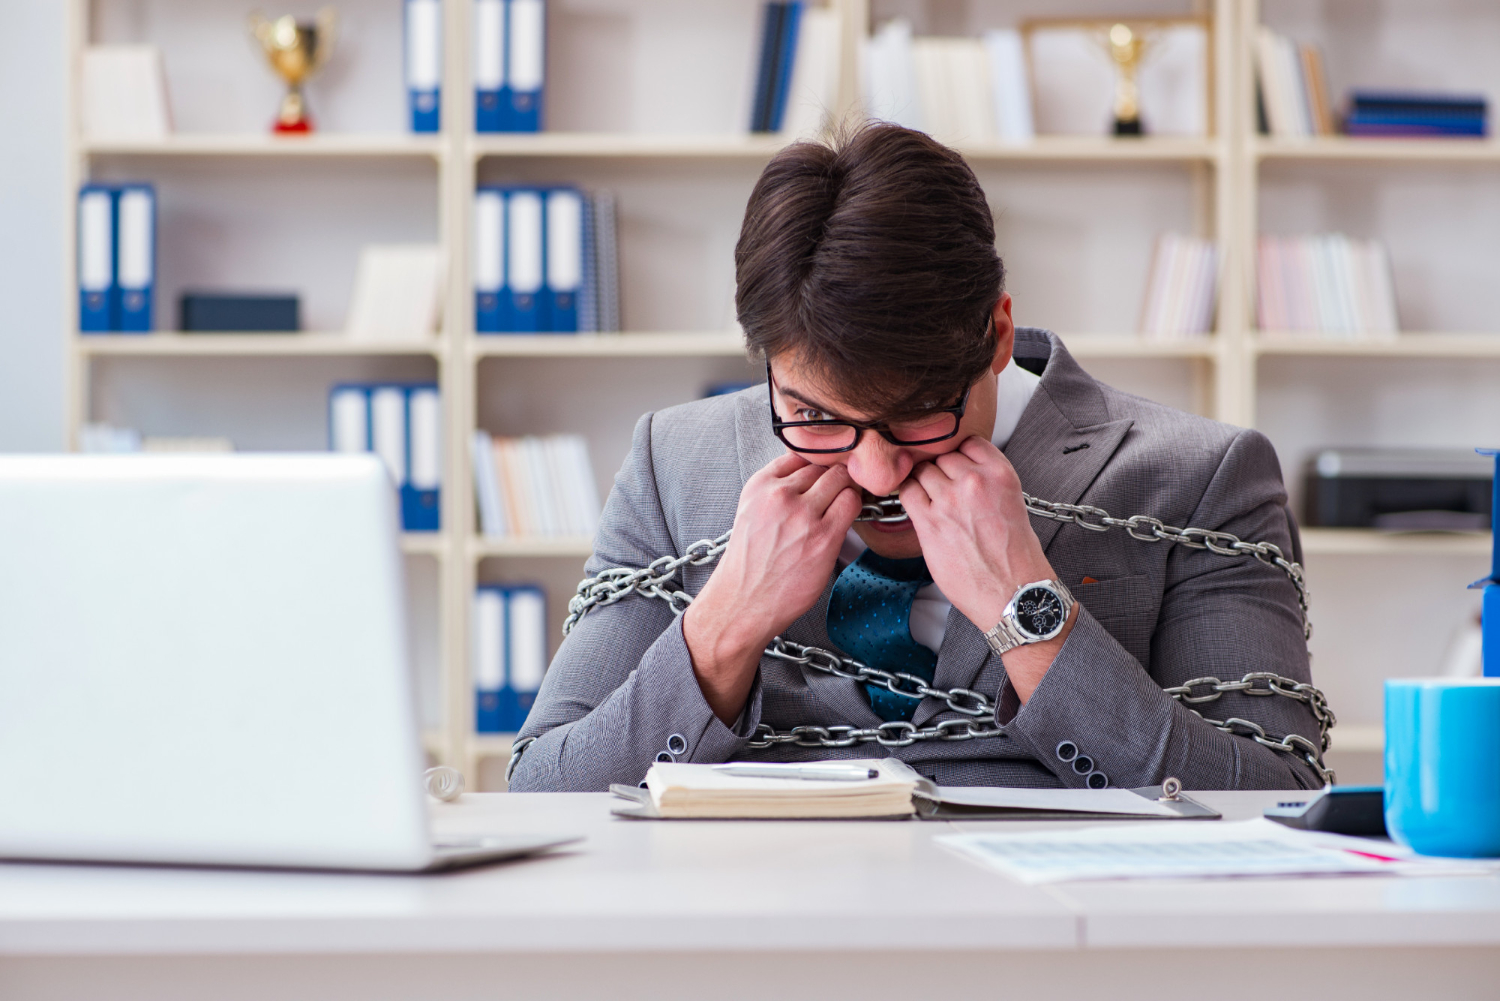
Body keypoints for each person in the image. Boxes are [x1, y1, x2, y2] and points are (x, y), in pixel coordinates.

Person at [508, 123, 1330, 793]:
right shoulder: (672, 462)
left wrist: (1027, 611)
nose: (875, 474)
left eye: (918, 416)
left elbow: (1271, 794)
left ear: (998, 334)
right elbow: (544, 788)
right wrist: (723, 626)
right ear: (768, 364)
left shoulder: (1201, 476)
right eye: (813, 415)